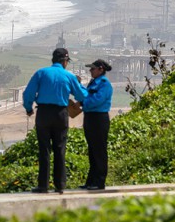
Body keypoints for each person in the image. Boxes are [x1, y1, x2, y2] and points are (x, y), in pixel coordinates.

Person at [23, 48, 88, 194]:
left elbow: (28, 93)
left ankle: (43, 185)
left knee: (44, 150)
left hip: (44, 113)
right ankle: (60, 185)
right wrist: (79, 84)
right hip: (61, 114)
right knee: (60, 149)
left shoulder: (41, 73)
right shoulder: (68, 76)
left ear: (53, 59)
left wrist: (29, 108)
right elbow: (82, 95)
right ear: (65, 61)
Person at [78, 59, 113, 190]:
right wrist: (79, 85)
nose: (90, 71)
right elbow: (86, 95)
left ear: (100, 69)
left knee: (99, 151)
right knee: (92, 151)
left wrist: (82, 102)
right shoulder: (93, 82)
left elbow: (95, 100)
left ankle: (99, 182)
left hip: (99, 118)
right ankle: (91, 181)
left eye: (93, 69)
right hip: (90, 118)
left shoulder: (104, 84)